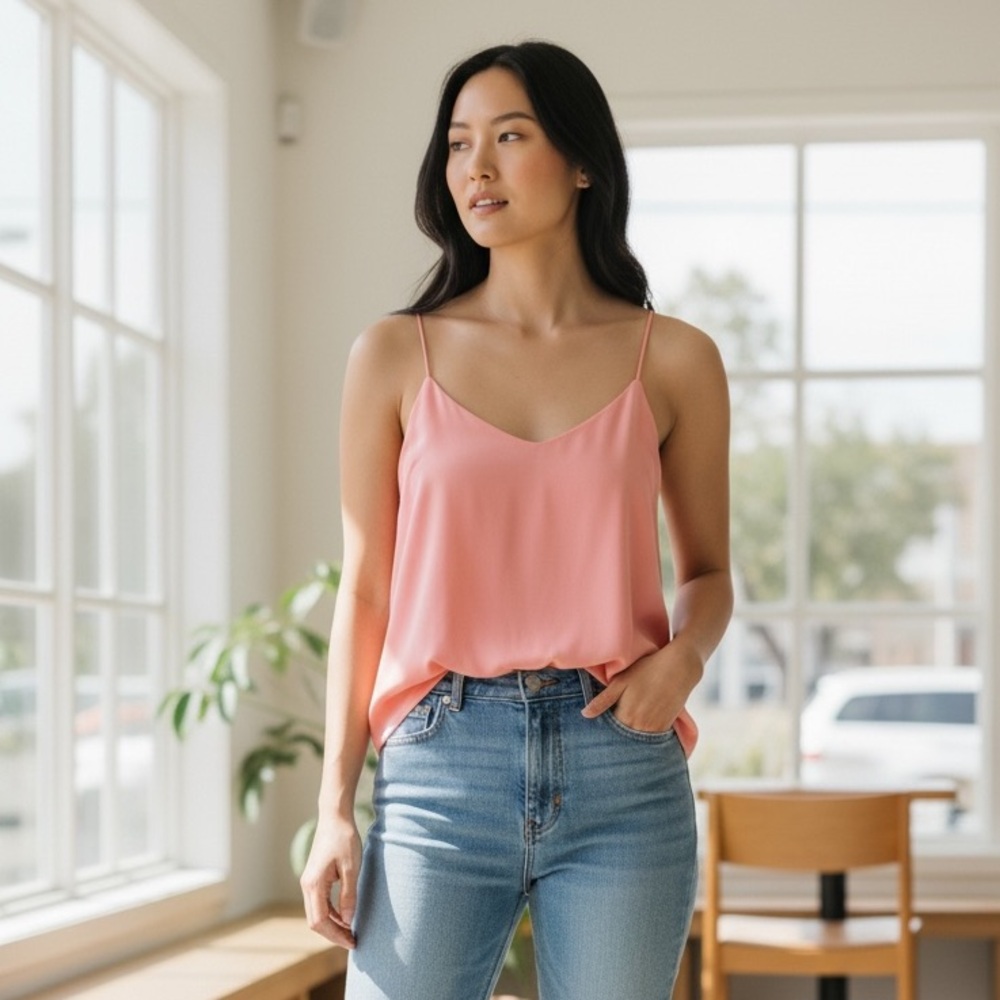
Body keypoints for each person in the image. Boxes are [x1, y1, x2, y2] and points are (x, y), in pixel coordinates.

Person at [300, 40, 733, 1000]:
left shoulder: (676, 361)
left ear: (584, 162)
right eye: (457, 144)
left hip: (623, 764)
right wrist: (333, 808)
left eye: (508, 135)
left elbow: (709, 572)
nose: (475, 168)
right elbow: (366, 588)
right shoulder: (392, 356)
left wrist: (684, 660)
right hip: (438, 769)